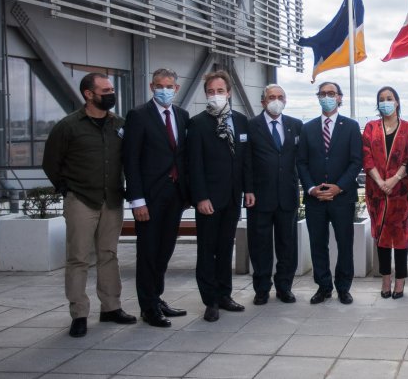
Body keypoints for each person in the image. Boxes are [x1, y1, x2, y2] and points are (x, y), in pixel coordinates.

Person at [43, 72, 136, 338]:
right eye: (105, 90)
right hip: (81, 200)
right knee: (78, 258)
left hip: (113, 200)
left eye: (111, 89)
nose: (111, 94)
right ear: (89, 94)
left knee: (109, 254)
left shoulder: (119, 124)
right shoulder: (68, 126)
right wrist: (67, 189)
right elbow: (51, 162)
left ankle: (110, 307)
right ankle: (79, 313)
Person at [123, 68, 190, 328]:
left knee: (165, 250)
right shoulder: (138, 116)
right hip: (149, 198)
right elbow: (130, 160)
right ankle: (148, 307)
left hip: (175, 196)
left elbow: (181, 155)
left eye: (169, 86)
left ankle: (157, 297)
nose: (164, 90)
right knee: (148, 252)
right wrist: (136, 200)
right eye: (159, 85)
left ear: (177, 88)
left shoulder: (182, 116)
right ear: (152, 87)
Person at [187, 70, 253, 322]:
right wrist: (201, 197)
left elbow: (245, 159)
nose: (216, 95)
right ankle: (210, 300)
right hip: (209, 200)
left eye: (220, 91)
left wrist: (249, 190)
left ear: (229, 93)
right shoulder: (198, 123)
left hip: (233, 197)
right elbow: (194, 165)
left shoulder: (240, 120)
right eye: (211, 92)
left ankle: (225, 295)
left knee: (226, 248)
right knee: (207, 250)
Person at [297, 81, 363, 305]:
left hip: (342, 197)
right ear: (318, 97)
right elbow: (301, 163)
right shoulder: (307, 128)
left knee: (345, 243)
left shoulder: (352, 126)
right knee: (318, 243)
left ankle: (344, 287)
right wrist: (312, 188)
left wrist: (339, 186)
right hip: (315, 198)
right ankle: (323, 286)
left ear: (340, 98)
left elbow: (356, 162)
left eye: (331, 93)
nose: (327, 97)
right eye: (323, 93)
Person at [246, 84, 303, 305]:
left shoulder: (295, 126)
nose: (276, 100)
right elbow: (247, 162)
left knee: (287, 244)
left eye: (280, 97)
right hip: (259, 197)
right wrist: (248, 189)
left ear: (285, 101)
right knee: (260, 245)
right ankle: (261, 289)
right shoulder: (251, 126)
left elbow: (301, 160)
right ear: (263, 101)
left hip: (287, 196)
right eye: (271, 97)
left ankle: (284, 287)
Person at [362, 87, 408, 299]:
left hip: (400, 189)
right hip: (376, 190)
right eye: (382, 99)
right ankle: (385, 278)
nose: (386, 102)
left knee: (400, 234)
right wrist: (380, 181)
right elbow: (366, 157)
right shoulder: (370, 127)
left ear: (397, 102)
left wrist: (394, 179)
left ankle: (400, 280)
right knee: (380, 233)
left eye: (389, 98)